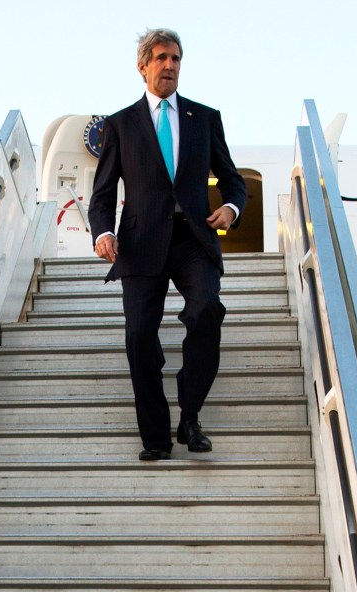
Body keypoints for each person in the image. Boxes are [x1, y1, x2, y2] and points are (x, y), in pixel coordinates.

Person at [89, 28, 247, 461]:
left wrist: (232, 206)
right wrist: (103, 232)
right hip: (140, 243)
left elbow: (232, 179)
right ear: (143, 66)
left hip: (193, 238)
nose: (170, 65)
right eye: (160, 58)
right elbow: (102, 193)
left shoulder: (204, 118)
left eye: (176, 58)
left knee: (207, 311)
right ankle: (156, 438)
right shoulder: (120, 124)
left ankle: (190, 416)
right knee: (140, 336)